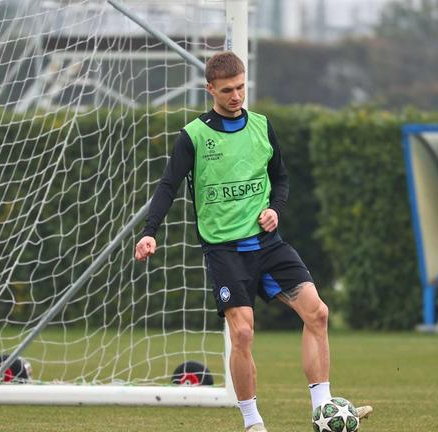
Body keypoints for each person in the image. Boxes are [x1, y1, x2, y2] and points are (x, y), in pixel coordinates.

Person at [134, 51, 371, 431]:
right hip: (225, 250)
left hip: (268, 243)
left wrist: (276, 208)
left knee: (318, 313)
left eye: (241, 87)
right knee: (242, 332)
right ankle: (252, 422)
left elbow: (281, 179)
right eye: (227, 89)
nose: (236, 96)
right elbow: (167, 186)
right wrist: (149, 232)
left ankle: (322, 408)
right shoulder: (193, 136)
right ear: (209, 88)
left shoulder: (262, 126)